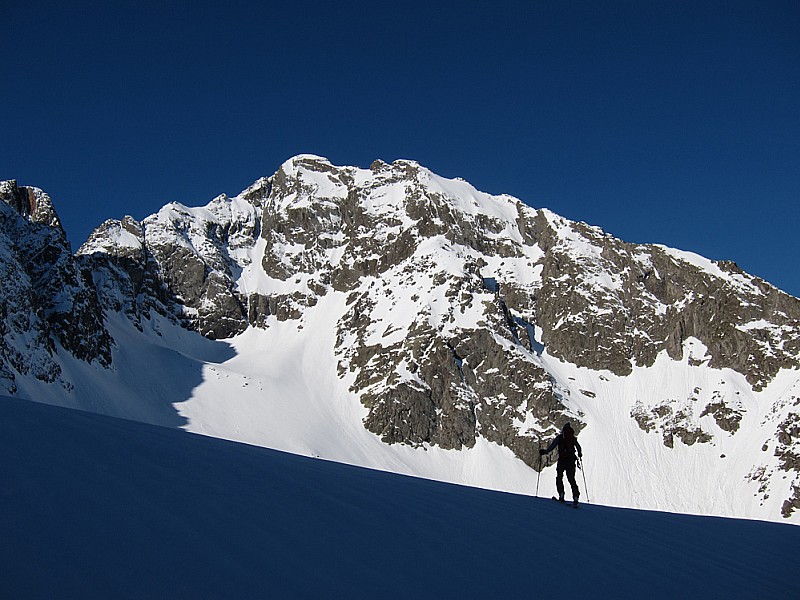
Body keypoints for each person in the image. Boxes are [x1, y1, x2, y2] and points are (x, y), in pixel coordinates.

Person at [540, 422, 582, 506]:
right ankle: (575, 497)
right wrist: (580, 454)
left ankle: (561, 494)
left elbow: (552, 446)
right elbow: (578, 447)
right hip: (571, 460)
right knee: (571, 479)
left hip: (562, 460)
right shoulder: (572, 438)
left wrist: (545, 452)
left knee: (559, 477)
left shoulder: (560, 438)